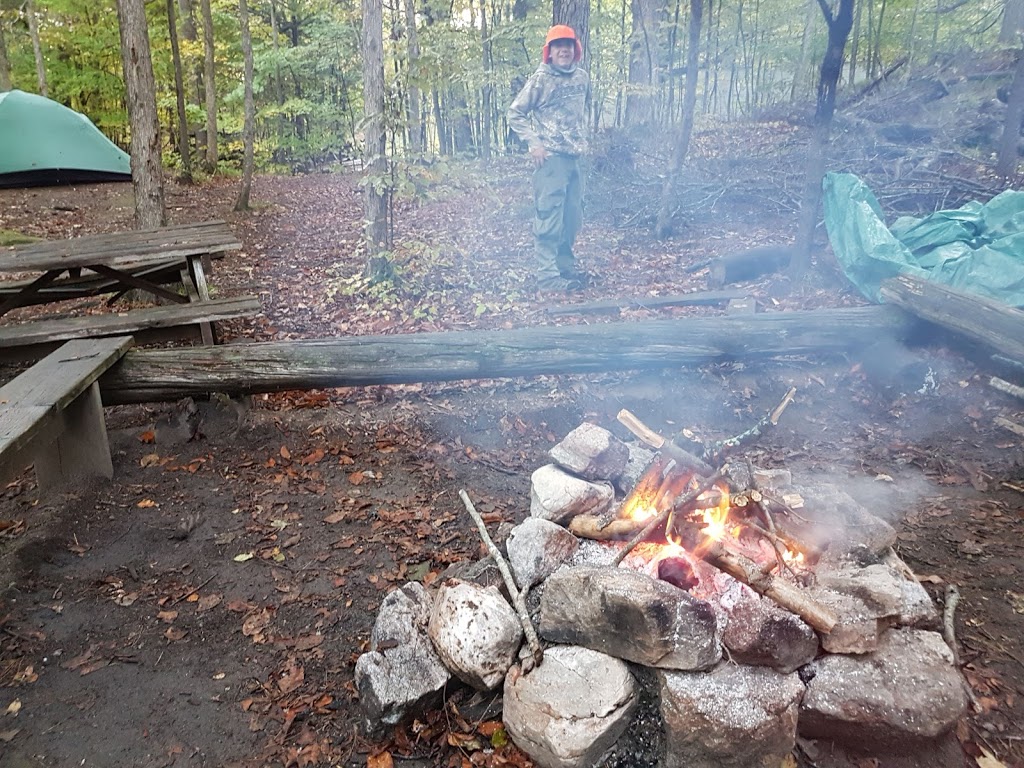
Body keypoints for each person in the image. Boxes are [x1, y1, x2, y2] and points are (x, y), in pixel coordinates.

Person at [508, 24, 591, 293]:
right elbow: (515, 113)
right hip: (551, 161)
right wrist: (534, 143)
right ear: (550, 52)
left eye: (568, 45)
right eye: (558, 46)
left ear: (575, 49)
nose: (563, 50)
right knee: (549, 219)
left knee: (571, 218)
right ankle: (547, 277)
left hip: (573, 159)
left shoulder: (582, 78)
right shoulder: (540, 80)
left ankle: (565, 269)